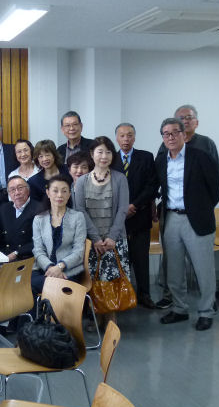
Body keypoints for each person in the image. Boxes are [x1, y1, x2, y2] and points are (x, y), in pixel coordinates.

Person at [155, 118, 219, 331]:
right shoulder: (161, 160)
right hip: (171, 218)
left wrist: (201, 208)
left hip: (197, 219)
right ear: (163, 138)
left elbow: (215, 187)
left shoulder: (201, 156)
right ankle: (179, 309)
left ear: (184, 134)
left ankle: (206, 311)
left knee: (204, 270)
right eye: (166, 133)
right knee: (174, 269)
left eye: (175, 132)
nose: (171, 137)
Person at [74, 136, 130, 324]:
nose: (104, 156)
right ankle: (97, 317)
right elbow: (80, 210)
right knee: (95, 281)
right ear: (92, 154)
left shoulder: (120, 178)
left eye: (108, 152)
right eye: (100, 152)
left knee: (112, 281)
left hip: (115, 240)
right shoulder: (81, 181)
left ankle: (112, 319)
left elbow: (123, 209)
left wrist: (112, 237)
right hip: (92, 242)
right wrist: (96, 239)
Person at [111, 123, 158, 309]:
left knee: (141, 259)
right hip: (118, 220)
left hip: (140, 215)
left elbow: (152, 185)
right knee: (120, 261)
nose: (126, 139)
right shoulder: (111, 159)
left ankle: (144, 295)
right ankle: (122, 297)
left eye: (129, 135)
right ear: (116, 138)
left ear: (135, 137)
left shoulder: (146, 157)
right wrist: (123, 208)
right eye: (122, 136)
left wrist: (134, 205)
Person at [31, 175, 87, 295]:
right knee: (29, 284)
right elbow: (38, 250)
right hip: (44, 269)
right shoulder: (39, 219)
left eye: (64, 191)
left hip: (68, 270)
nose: (60, 195)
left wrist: (60, 267)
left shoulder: (78, 217)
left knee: (54, 286)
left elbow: (78, 251)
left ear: (69, 194)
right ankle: (41, 308)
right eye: (55, 191)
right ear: (48, 193)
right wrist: (50, 267)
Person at [0, 176, 40, 262]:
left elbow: (40, 241)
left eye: (20, 188)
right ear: (9, 194)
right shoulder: (5, 208)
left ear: (28, 190)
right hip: (6, 256)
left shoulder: (39, 209)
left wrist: (17, 253)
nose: (17, 193)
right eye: (12, 190)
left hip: (29, 258)